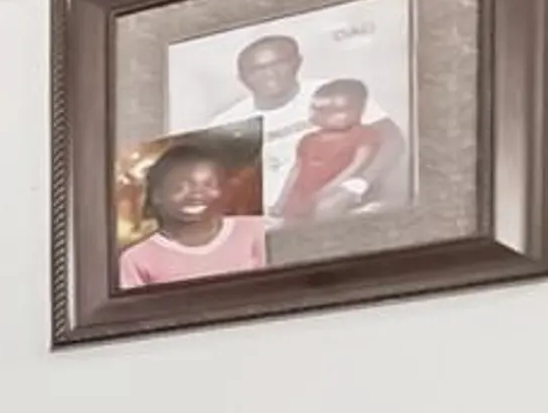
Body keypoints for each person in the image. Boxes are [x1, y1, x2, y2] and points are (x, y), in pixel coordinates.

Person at [118, 137, 269, 289]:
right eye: (181, 187)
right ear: (157, 196)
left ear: (223, 191)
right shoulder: (136, 259)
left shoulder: (255, 230)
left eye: (208, 184)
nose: (197, 194)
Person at [197, 31, 310, 205]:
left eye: (279, 64)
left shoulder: (333, 95)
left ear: (297, 62)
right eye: (257, 70)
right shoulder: (224, 124)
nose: (270, 74)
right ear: (242, 79)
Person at [274, 77, 408, 221]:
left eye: (335, 110)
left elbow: (354, 167)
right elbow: (296, 170)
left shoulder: (364, 135)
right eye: (317, 109)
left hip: (330, 194)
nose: (323, 115)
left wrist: (326, 191)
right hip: (300, 196)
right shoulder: (308, 139)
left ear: (359, 110)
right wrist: (281, 201)